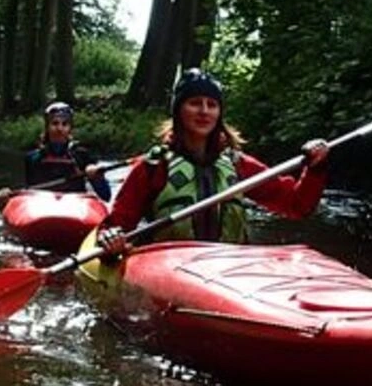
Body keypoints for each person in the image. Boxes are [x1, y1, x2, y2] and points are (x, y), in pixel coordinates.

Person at [96, 68, 328, 255]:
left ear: (219, 113)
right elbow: (115, 225)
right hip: (173, 270)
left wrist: (315, 167)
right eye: (195, 102)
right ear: (178, 110)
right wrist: (111, 240)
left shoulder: (238, 164)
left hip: (228, 269)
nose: (204, 111)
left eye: (212, 104)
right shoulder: (153, 167)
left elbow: (297, 206)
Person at [11, 100, 112, 201]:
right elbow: (25, 196)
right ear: (47, 128)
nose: (60, 128)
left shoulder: (81, 155)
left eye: (64, 124)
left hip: (75, 208)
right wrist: (6, 197)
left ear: (70, 128)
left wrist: (97, 178)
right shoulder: (32, 158)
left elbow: (106, 196)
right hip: (42, 208)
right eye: (55, 123)